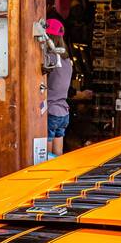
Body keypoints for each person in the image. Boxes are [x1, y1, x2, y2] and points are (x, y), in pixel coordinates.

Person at [45, 18, 78, 157]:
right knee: (58, 154)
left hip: (51, 110)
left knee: (45, 156)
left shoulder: (49, 58)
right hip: (63, 112)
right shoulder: (67, 61)